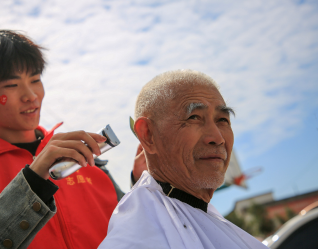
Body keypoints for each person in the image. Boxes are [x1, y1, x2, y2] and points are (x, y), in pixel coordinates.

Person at [0, 30, 125, 249]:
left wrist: (148, 183)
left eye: (35, 80)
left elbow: (136, 231)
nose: (31, 95)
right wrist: (32, 182)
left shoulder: (87, 158)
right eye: (12, 85)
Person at [98, 70, 268, 249]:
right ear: (148, 135)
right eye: (194, 117)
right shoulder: (137, 237)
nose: (218, 138)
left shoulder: (198, 213)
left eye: (223, 120)